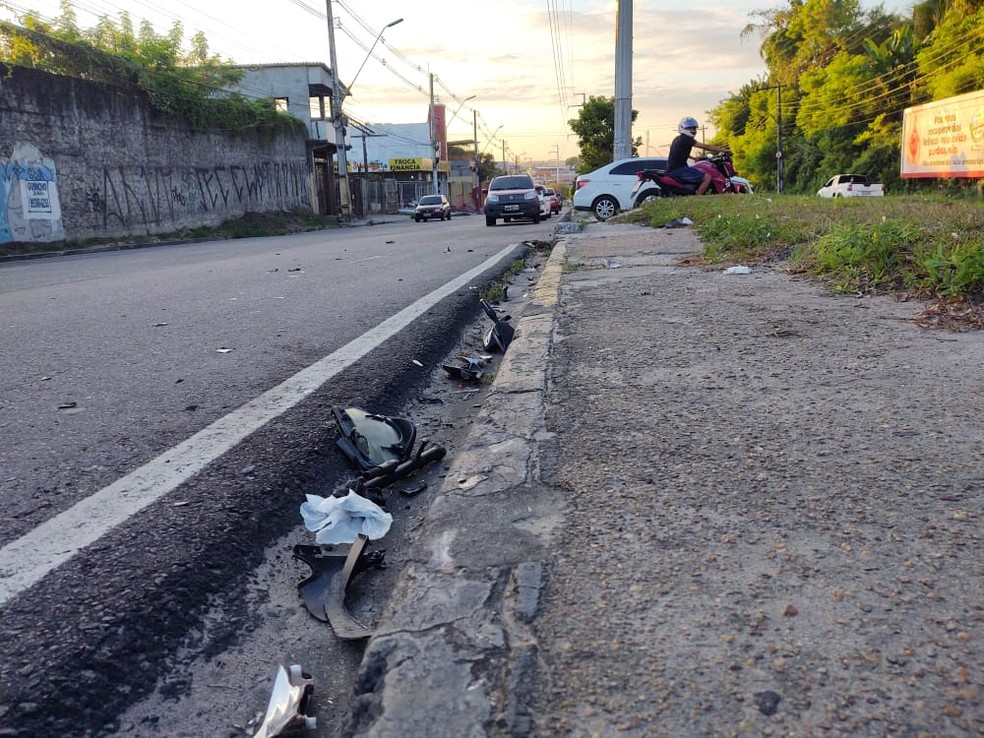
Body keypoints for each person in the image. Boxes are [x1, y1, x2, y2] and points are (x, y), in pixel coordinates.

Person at [667, 117, 730, 195]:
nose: (693, 130)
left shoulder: (677, 139)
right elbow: (705, 147)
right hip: (679, 170)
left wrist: (693, 158)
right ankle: (697, 198)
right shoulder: (687, 139)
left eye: (694, 128)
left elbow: (678, 153)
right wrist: (723, 150)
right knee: (707, 177)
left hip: (673, 169)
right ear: (683, 128)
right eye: (689, 128)